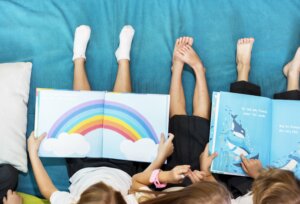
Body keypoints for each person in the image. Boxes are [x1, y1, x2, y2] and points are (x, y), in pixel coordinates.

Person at [28, 25, 191, 204]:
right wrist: (160, 157)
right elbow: (137, 182)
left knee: (83, 113)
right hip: (123, 167)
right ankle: (123, 59)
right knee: (123, 115)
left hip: (82, 167)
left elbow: (48, 191)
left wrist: (33, 153)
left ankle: (78, 59)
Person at [165, 36, 211, 181]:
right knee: (200, 129)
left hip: (174, 183)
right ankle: (198, 69)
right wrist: (206, 174)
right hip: (200, 187)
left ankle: (177, 68)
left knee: (177, 124)